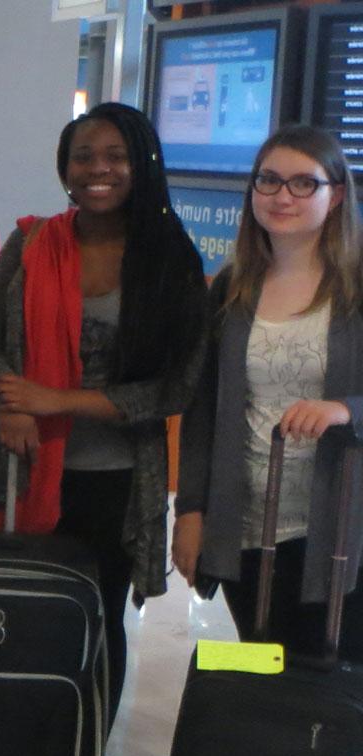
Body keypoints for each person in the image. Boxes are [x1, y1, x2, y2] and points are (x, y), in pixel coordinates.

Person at [0, 102, 207, 756]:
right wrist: (11, 400)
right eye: (82, 156)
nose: (97, 170)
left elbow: (172, 388)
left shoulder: (171, 258)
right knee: (17, 625)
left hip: (112, 481)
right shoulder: (33, 241)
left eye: (114, 156)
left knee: (97, 631)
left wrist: (56, 399)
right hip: (22, 471)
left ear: (142, 163)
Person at [176, 124, 363, 659]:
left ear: (337, 194)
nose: (283, 196)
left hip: (343, 529)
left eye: (305, 183)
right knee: (267, 675)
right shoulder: (234, 286)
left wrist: (344, 409)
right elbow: (204, 411)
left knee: (334, 686)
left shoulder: (357, 284)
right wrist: (191, 511)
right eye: (270, 180)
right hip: (250, 528)